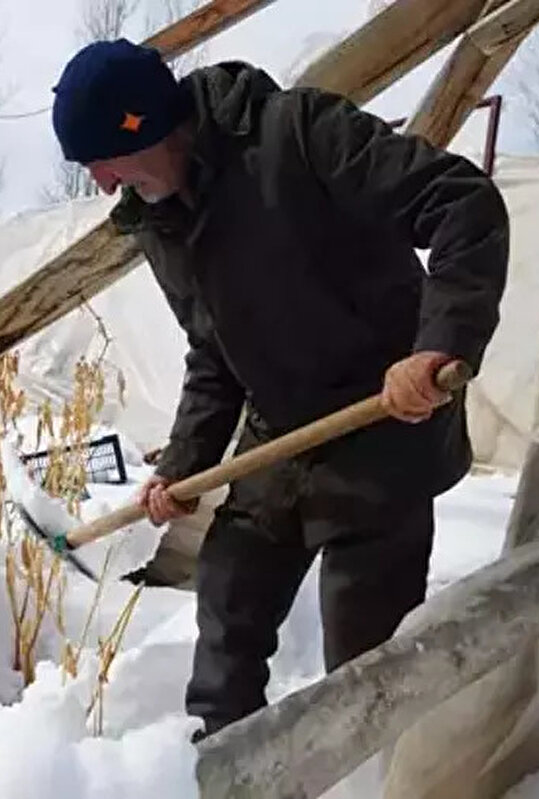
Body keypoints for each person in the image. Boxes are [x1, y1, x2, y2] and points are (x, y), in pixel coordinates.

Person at [49, 39, 509, 741]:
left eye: (104, 162)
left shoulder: (298, 135)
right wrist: (184, 464)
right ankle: (226, 767)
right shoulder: (160, 220)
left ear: (139, 124)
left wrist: (438, 345)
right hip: (280, 431)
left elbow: (462, 204)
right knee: (229, 598)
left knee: (363, 661)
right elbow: (215, 351)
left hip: (382, 421)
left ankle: (366, 776)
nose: (105, 185)